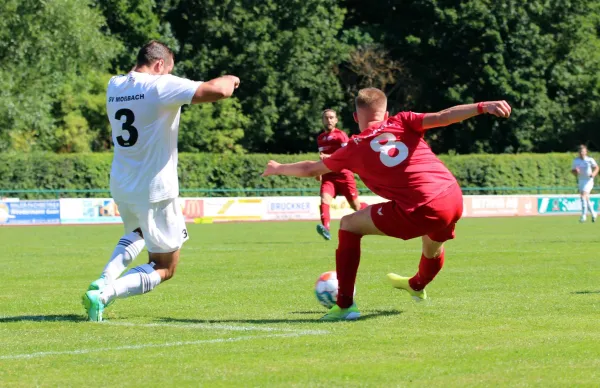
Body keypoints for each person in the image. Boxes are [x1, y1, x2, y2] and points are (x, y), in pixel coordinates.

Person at [263, 88, 511, 321]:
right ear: (387, 114)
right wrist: (483, 106)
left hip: (422, 206)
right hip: (452, 194)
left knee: (349, 224)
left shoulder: (353, 147)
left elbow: (311, 168)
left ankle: (346, 305)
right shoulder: (403, 120)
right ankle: (415, 286)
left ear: (354, 116)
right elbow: (444, 116)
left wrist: (277, 168)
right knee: (432, 248)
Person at [82, 41, 240, 321]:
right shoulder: (159, 85)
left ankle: (105, 278)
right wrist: (231, 79)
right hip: (155, 188)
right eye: (168, 69)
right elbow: (218, 91)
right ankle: (105, 294)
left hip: (122, 183)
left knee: (139, 233)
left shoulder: (114, 85)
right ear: (159, 65)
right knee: (164, 267)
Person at [315, 109, 367, 240]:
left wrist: (329, 157)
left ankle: (373, 211)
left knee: (356, 207)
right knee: (324, 200)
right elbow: (322, 158)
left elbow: (348, 154)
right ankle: (326, 229)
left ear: (336, 120)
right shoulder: (320, 138)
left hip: (344, 175)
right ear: (322, 120)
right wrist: (318, 171)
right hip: (328, 176)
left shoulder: (341, 136)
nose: (329, 120)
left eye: (332, 118)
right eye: (326, 118)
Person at [571, 144, 599, 223]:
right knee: (585, 197)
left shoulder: (590, 160)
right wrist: (576, 171)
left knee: (583, 195)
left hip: (589, 180)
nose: (582, 153)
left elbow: (597, 167)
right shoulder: (576, 161)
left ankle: (583, 215)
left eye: (583, 151)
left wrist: (593, 174)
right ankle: (593, 213)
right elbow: (573, 171)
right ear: (578, 152)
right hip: (581, 180)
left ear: (586, 152)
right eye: (580, 151)